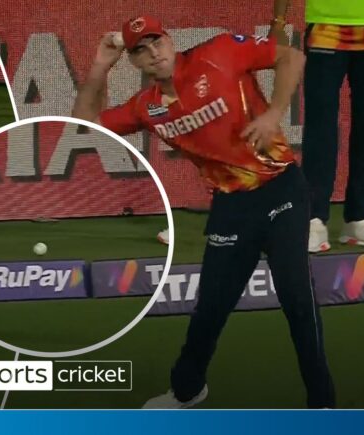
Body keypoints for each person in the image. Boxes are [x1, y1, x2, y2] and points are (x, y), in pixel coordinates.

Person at [73, 15, 335, 408]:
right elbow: (85, 123)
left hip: (281, 188)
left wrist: (273, 114)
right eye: (141, 50)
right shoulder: (146, 107)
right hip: (231, 205)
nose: (153, 53)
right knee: (211, 306)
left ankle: (323, 405)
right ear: (134, 62)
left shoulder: (219, 52)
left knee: (297, 299)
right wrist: (99, 65)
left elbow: (292, 57)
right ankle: (187, 389)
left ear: (170, 40)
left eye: (156, 41)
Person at [270, 0, 364, 252]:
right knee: (320, 128)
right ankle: (314, 219)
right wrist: (278, 22)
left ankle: (358, 218)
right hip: (326, 27)